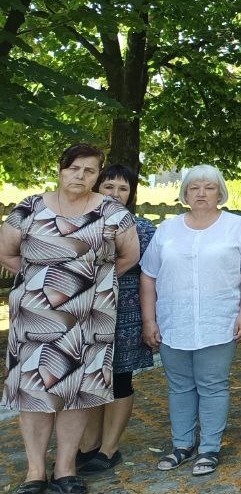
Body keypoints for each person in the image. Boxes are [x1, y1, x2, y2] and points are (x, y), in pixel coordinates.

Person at [2, 144, 140, 494]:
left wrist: (86, 284)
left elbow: (129, 256)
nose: (80, 176)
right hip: (34, 318)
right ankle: (34, 473)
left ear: (98, 175)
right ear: (61, 170)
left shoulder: (112, 213)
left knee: (78, 395)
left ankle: (66, 469)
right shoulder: (28, 208)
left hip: (90, 319)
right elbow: (6, 252)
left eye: (89, 171)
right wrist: (45, 283)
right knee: (35, 394)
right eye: (74, 168)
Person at [140, 166, 241, 475]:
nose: (201, 193)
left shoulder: (236, 227)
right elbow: (148, 276)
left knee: (212, 384)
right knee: (179, 387)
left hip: (217, 320)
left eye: (208, 188)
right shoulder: (167, 230)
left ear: (220, 193)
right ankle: (182, 444)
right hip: (174, 321)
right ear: (185, 194)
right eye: (194, 188)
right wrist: (149, 320)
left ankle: (209, 447)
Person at [76, 164, 155, 475]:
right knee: (89, 378)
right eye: (109, 187)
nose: (116, 194)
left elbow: (152, 275)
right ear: (98, 187)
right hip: (84, 311)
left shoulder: (144, 228)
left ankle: (109, 448)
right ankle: (87, 445)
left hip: (126, 312)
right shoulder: (79, 224)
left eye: (123, 188)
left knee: (119, 378)